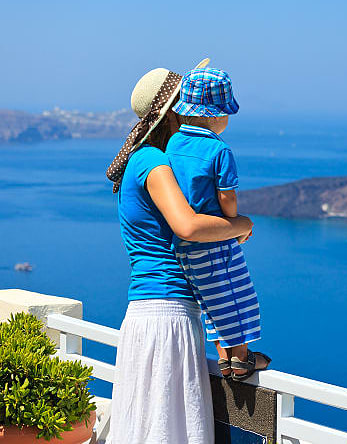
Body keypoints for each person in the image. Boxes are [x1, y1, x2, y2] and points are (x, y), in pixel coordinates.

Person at [106, 59, 254, 444]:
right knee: (172, 428)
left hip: (145, 311)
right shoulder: (153, 162)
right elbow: (187, 225)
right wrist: (242, 225)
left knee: (143, 425)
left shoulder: (136, 162)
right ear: (175, 111)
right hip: (168, 311)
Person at [166, 67, 270, 381]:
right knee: (234, 294)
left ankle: (225, 359)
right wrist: (236, 224)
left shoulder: (172, 146)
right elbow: (227, 198)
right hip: (215, 237)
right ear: (216, 116)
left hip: (185, 245)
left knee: (210, 298)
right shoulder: (219, 150)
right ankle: (241, 359)